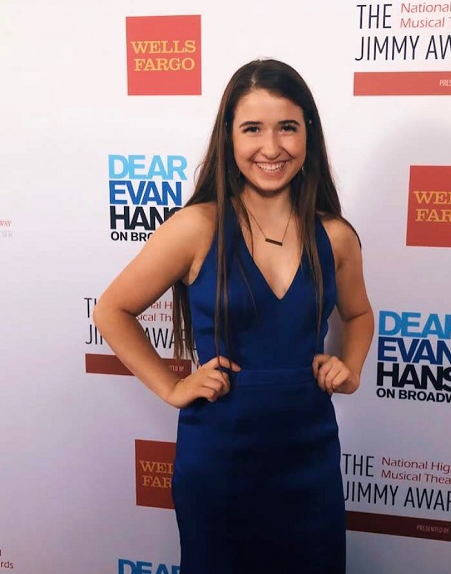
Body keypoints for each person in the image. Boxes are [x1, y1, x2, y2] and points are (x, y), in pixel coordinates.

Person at [94, 58, 374, 574]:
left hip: (308, 459)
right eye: (253, 129)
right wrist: (172, 387)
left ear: (308, 133)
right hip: (219, 458)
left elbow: (358, 315)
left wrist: (349, 367)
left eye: (287, 127)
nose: (272, 147)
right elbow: (113, 310)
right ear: (229, 137)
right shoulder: (195, 227)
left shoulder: (335, 236)